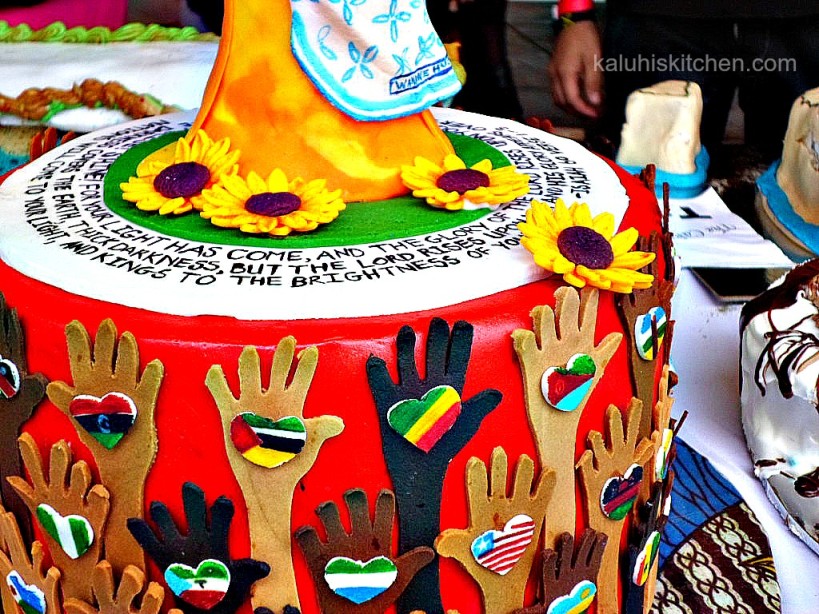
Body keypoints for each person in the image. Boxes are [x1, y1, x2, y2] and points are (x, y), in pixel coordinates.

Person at [549, 0, 819, 161]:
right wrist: (574, 13)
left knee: (806, 193)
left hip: (808, 19)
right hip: (656, 17)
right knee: (647, 189)